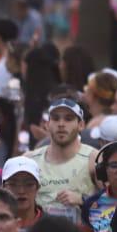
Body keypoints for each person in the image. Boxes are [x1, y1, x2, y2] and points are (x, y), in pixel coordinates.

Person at [32, 96, 97, 224]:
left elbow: (113, 202)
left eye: (68, 119)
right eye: (55, 118)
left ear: (81, 125)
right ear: (47, 124)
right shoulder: (30, 159)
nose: (61, 124)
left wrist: (83, 200)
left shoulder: (93, 159)